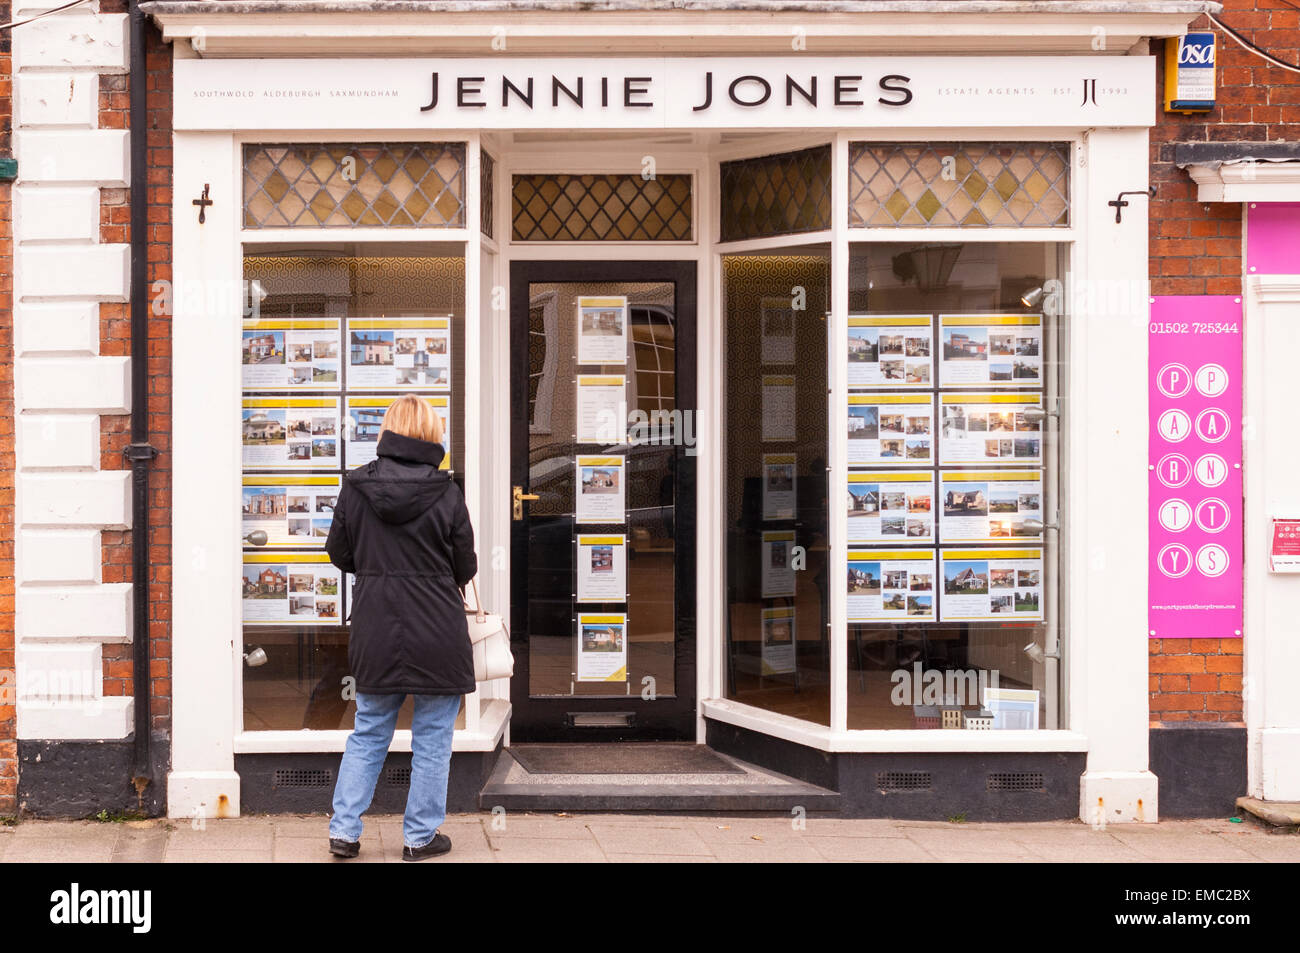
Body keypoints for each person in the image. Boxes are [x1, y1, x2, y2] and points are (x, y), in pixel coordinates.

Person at [323, 394, 476, 861]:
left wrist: (375, 565)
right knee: (434, 738)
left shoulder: (356, 488)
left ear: (387, 431)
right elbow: (465, 565)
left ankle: (345, 832)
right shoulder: (447, 492)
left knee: (369, 730)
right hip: (438, 631)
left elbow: (338, 553)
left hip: (376, 626)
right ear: (432, 435)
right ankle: (419, 838)